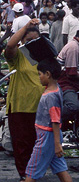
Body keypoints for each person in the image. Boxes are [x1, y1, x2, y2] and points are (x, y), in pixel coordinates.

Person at [4, 19, 44, 181]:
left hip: (41, 107)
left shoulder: (43, 55)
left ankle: (34, 173)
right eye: (28, 41)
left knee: (38, 144)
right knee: (22, 144)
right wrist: (26, 26)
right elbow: (9, 46)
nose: (32, 44)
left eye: (35, 40)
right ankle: (25, 175)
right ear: (22, 40)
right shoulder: (18, 55)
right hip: (20, 107)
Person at [24, 58, 72, 182]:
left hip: (47, 138)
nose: (39, 77)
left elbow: (55, 121)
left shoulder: (50, 96)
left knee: (32, 170)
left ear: (48, 74)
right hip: (51, 137)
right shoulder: (56, 89)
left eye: (40, 74)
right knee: (60, 169)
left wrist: (57, 144)